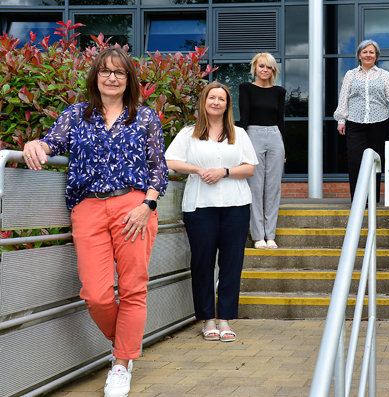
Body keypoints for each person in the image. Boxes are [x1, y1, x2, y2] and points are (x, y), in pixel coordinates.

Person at [23, 47, 168, 397]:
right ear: (95, 77)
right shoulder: (75, 115)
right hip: (88, 208)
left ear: (129, 79)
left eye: (119, 72)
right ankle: (126, 345)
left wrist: (146, 205)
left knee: (133, 289)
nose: (112, 78)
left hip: (134, 206)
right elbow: (52, 142)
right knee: (95, 293)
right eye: (105, 71)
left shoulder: (145, 117)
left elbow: (158, 168)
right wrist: (35, 144)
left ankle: (120, 364)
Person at [166, 82, 258, 343]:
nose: (217, 102)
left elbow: (250, 167)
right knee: (203, 263)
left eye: (222, 99)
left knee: (231, 264)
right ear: (204, 102)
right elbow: (169, 160)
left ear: (227, 105)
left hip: (236, 205)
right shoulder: (189, 134)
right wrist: (197, 170)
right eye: (212, 97)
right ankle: (208, 320)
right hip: (199, 206)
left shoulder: (239, 133)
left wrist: (224, 172)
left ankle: (225, 319)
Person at [334, 39, 389, 203]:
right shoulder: (350, 75)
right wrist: (341, 119)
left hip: (379, 123)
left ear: (376, 56)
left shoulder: (384, 75)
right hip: (355, 124)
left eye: (371, 52)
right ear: (359, 55)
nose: (368, 55)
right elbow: (344, 99)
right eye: (365, 52)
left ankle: (373, 198)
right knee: (356, 161)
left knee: (376, 162)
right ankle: (358, 200)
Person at [237, 53, 286, 250]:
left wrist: (285, 149)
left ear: (273, 70)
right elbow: (244, 116)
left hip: (275, 136)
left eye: (269, 67)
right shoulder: (246, 88)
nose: (265, 70)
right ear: (255, 68)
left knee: (273, 188)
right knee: (255, 187)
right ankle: (258, 236)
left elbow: (281, 120)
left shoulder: (279, 91)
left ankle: (270, 235)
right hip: (252, 135)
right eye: (261, 66)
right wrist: (240, 144)